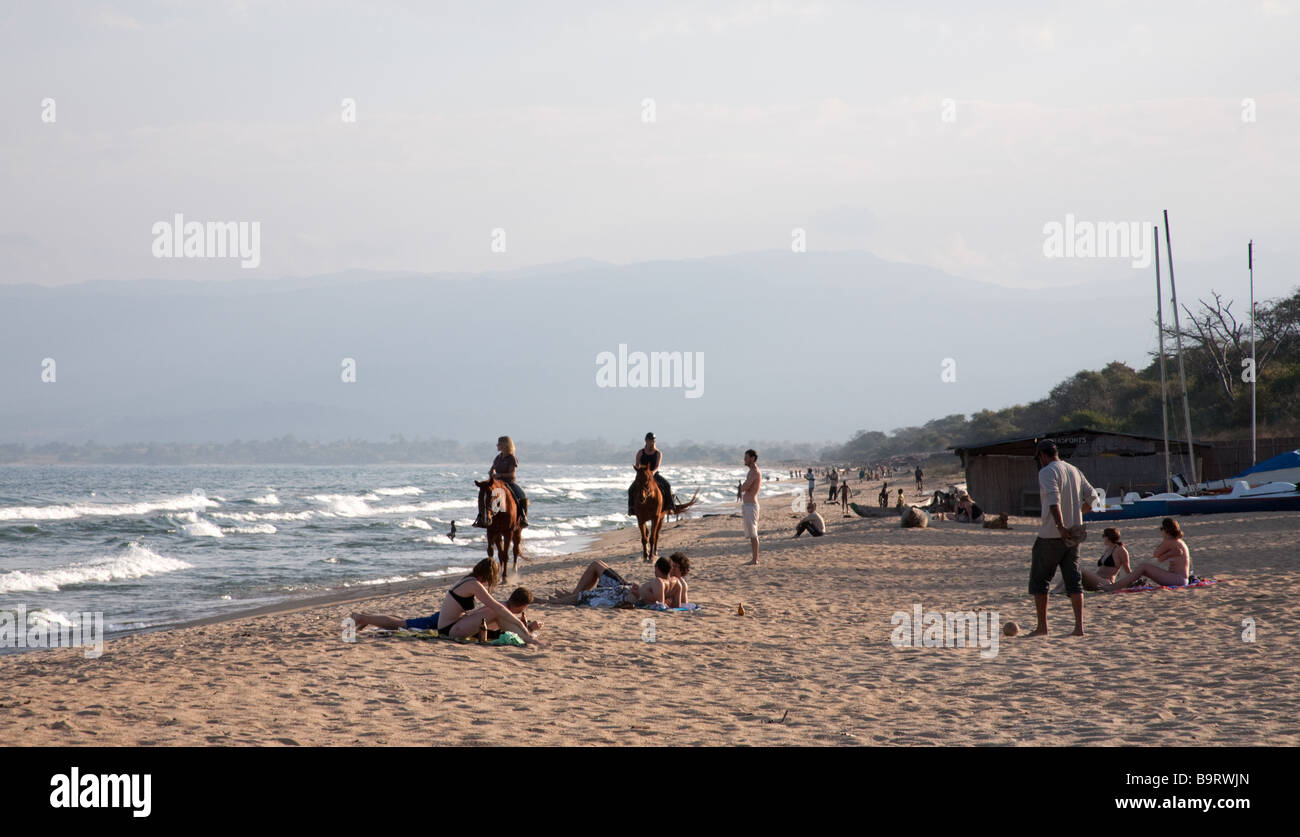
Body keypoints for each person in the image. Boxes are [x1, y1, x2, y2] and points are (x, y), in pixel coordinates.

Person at [350, 558, 544, 646]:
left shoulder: (468, 581)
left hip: (451, 621)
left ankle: (365, 618)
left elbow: (487, 610)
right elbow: (495, 607)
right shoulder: (475, 585)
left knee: (402, 622)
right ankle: (362, 617)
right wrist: (521, 625)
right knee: (402, 624)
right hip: (446, 625)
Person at [1027, 439, 1098, 637]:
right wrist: (1077, 515)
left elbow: (1053, 500)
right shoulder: (1074, 470)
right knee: (1074, 581)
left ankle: (1042, 628)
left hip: (1051, 535)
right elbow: (1094, 499)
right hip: (1074, 535)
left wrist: (1060, 526)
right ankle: (1078, 628)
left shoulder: (1047, 472)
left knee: (1040, 581)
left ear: (1043, 455)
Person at [548, 557, 681, 607]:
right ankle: (573, 595)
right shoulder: (678, 583)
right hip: (627, 588)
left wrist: (638, 595)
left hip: (624, 591)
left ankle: (571, 596)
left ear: (657, 568)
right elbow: (679, 604)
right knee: (598, 563)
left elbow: (658, 606)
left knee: (595, 565)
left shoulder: (659, 581)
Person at [1105, 518, 1191, 590]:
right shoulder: (1178, 541)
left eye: (1162, 529)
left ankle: (1115, 586)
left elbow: (1156, 554)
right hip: (1180, 579)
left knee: (1143, 567)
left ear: (1165, 530)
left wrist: (1165, 539)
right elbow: (1160, 559)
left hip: (1178, 580)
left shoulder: (1169, 541)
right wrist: (1171, 553)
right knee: (1143, 568)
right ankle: (1126, 584)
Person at [475, 435, 529, 528]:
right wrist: (491, 475)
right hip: (497, 483)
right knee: (485, 497)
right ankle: (481, 517)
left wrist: (500, 475)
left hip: (509, 482)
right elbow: (492, 470)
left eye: (499, 444)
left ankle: (523, 517)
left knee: (522, 495)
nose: (497, 446)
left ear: (505, 445)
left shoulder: (512, 458)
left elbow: (512, 474)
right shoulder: (498, 457)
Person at [1056, 527, 1130, 592]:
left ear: (1107, 537)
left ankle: (1059, 590)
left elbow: (1127, 569)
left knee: (1079, 569)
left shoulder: (1120, 550)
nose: (1103, 538)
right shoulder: (1108, 549)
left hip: (1106, 583)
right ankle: (1058, 589)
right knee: (1072, 568)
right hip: (1096, 580)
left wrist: (1133, 582)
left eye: (1103, 536)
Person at [628, 433, 678, 515]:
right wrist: (638, 469)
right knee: (630, 489)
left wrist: (652, 473)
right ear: (646, 441)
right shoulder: (640, 452)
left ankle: (670, 507)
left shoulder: (658, 453)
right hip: (643, 475)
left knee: (667, 485)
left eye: (653, 441)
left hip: (654, 474)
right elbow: (637, 464)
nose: (652, 443)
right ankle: (631, 509)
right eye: (650, 441)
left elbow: (657, 466)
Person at [739, 450, 763, 565]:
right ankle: (754, 558)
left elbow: (746, 486)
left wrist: (740, 488)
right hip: (748, 505)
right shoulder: (751, 472)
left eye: (746, 457)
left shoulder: (754, 472)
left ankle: (755, 559)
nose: (745, 460)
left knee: (753, 533)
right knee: (751, 533)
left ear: (753, 458)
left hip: (751, 505)